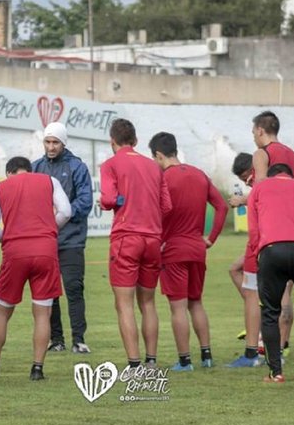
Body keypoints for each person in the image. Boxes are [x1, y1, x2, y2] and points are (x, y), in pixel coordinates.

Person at [0, 156, 71, 381]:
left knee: (2, 312)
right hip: (45, 249)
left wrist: (8, 239)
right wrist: (50, 229)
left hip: (15, 251)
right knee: (42, 313)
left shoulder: (0, 188)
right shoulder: (49, 181)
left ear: (10, 172)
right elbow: (66, 212)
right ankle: (37, 369)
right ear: (29, 170)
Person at [148, 132, 228, 371]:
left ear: (159, 155)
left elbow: (160, 214)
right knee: (196, 303)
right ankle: (207, 356)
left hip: (173, 250)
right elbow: (222, 206)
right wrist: (211, 238)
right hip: (197, 249)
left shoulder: (163, 180)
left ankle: (185, 360)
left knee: (178, 307)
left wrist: (159, 239)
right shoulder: (199, 174)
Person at [99, 118, 172, 369]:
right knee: (148, 302)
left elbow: (108, 199)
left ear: (112, 141)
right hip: (152, 238)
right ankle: (152, 360)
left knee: (124, 304)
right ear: (136, 141)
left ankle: (134, 364)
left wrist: (118, 200)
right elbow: (166, 206)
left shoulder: (110, 164)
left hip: (126, 237)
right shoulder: (154, 167)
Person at [245, 163, 294, 382]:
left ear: (272, 175)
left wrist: (258, 253)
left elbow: (253, 227)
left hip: (272, 251)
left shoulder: (260, 188)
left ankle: (276, 372)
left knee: (269, 312)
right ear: (292, 176)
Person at [32, 122, 93, 354]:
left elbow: (85, 202)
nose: (51, 146)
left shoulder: (77, 167)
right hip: (45, 240)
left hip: (72, 240)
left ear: (63, 143)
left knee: (73, 288)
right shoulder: (36, 167)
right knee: (49, 290)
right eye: (47, 141)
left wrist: (59, 215)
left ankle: (79, 338)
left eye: (55, 142)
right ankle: (56, 339)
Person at [226, 153, 263, 367]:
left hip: (263, 244)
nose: (244, 183)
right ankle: (257, 313)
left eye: (243, 178)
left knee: (263, 293)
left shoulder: (262, 180)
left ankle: (254, 352)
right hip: (261, 243)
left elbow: (265, 194)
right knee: (235, 269)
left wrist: (242, 200)